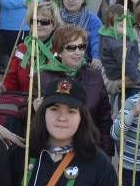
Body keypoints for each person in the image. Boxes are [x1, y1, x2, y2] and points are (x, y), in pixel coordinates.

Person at [35, 25, 113, 156]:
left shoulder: (95, 76)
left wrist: (106, 152)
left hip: (89, 149)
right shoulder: (44, 77)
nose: (78, 52)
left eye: (81, 47)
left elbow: (105, 118)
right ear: (59, 52)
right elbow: (29, 119)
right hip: (55, 151)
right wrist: (34, 109)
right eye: (71, 48)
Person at [2, 0, 62, 94]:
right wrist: (4, 88)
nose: (38, 25)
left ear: (54, 25)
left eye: (44, 22)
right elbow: (12, 78)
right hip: (24, 102)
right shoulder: (22, 49)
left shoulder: (60, 49)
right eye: (34, 21)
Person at [98, 4, 139, 107]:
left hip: (115, 72)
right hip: (119, 74)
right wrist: (138, 78)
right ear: (111, 26)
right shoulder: (117, 44)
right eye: (122, 25)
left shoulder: (108, 35)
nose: (126, 28)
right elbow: (126, 62)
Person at [59, 0, 102, 67]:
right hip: (60, 61)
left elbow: (97, 40)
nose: (71, 0)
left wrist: (96, 57)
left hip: (85, 61)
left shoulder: (93, 20)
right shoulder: (57, 17)